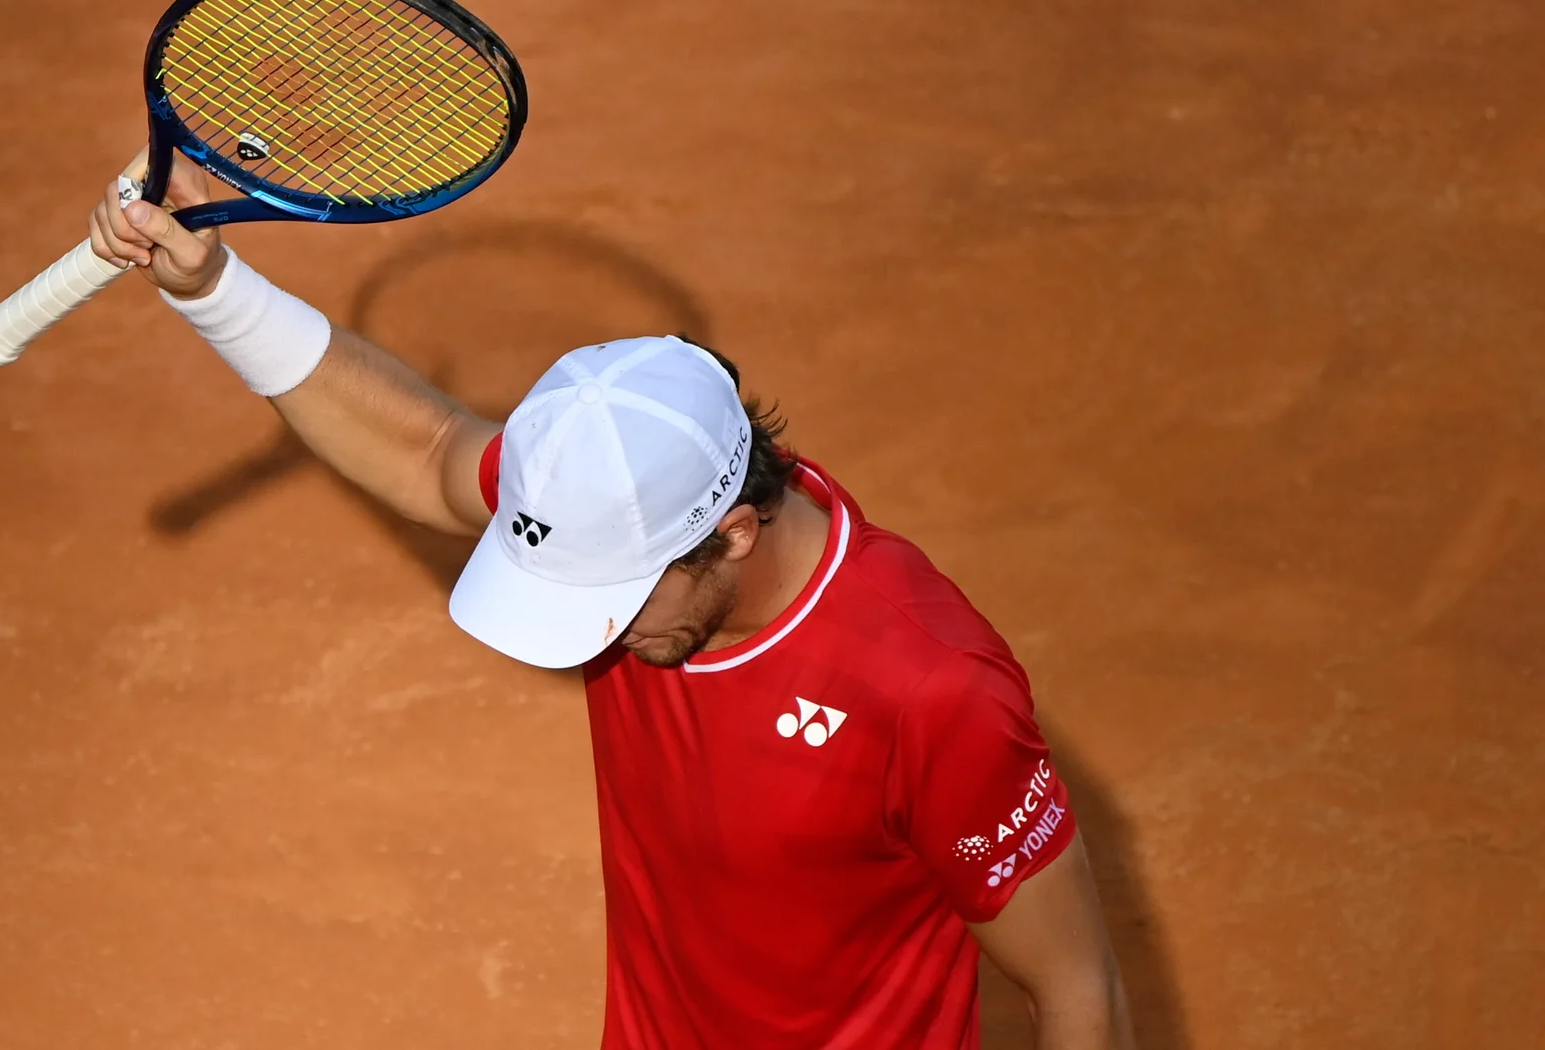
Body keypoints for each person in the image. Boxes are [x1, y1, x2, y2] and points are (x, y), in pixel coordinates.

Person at [85, 154, 1136, 1050]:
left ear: (730, 534)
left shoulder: (929, 688)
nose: (588, 632)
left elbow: (1076, 987)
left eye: (612, 598)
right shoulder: (605, 502)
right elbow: (428, 448)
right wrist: (213, 288)